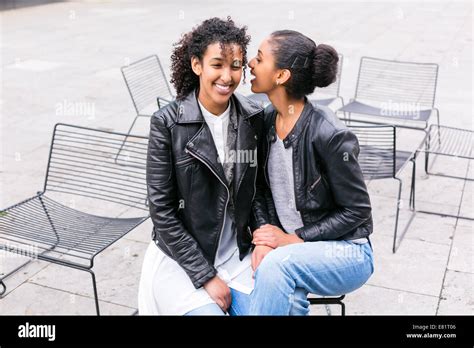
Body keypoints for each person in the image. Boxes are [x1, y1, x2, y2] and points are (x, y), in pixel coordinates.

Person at [138, 17, 264, 315]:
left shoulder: (252, 116)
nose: (227, 76)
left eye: (236, 66)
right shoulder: (167, 123)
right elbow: (162, 212)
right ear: (197, 65)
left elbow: (257, 190)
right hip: (182, 260)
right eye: (217, 64)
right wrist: (205, 275)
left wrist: (262, 239)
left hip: (238, 254)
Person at [247, 30, 375, 315]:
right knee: (285, 293)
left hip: (346, 251)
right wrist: (265, 236)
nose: (250, 65)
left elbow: (358, 212)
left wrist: (296, 239)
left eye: (259, 58)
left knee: (277, 266)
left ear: (281, 76)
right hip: (291, 250)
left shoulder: (329, 134)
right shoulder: (265, 122)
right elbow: (260, 190)